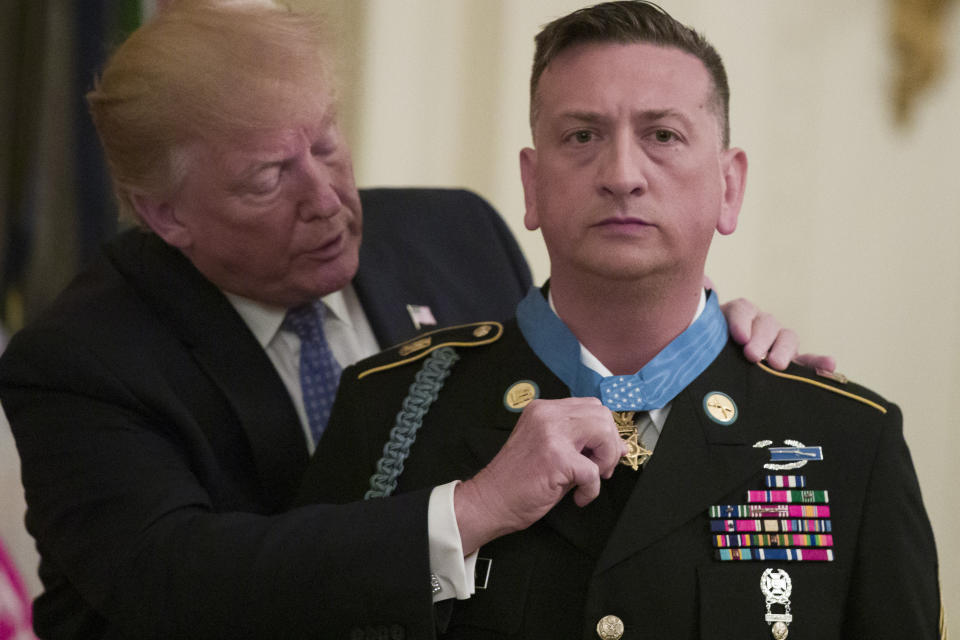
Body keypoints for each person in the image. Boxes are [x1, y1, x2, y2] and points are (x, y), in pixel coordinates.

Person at [0, 1, 826, 639]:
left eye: (326, 146)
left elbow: (583, 378)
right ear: (166, 214)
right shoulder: (81, 358)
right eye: (267, 179)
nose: (326, 201)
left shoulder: (452, 234)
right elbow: (183, 583)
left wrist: (712, 344)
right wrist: (463, 513)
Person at [297, 2, 942, 638]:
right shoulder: (386, 411)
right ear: (531, 184)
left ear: (730, 185)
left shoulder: (851, 441)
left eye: (663, 135)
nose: (622, 175)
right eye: (583, 136)